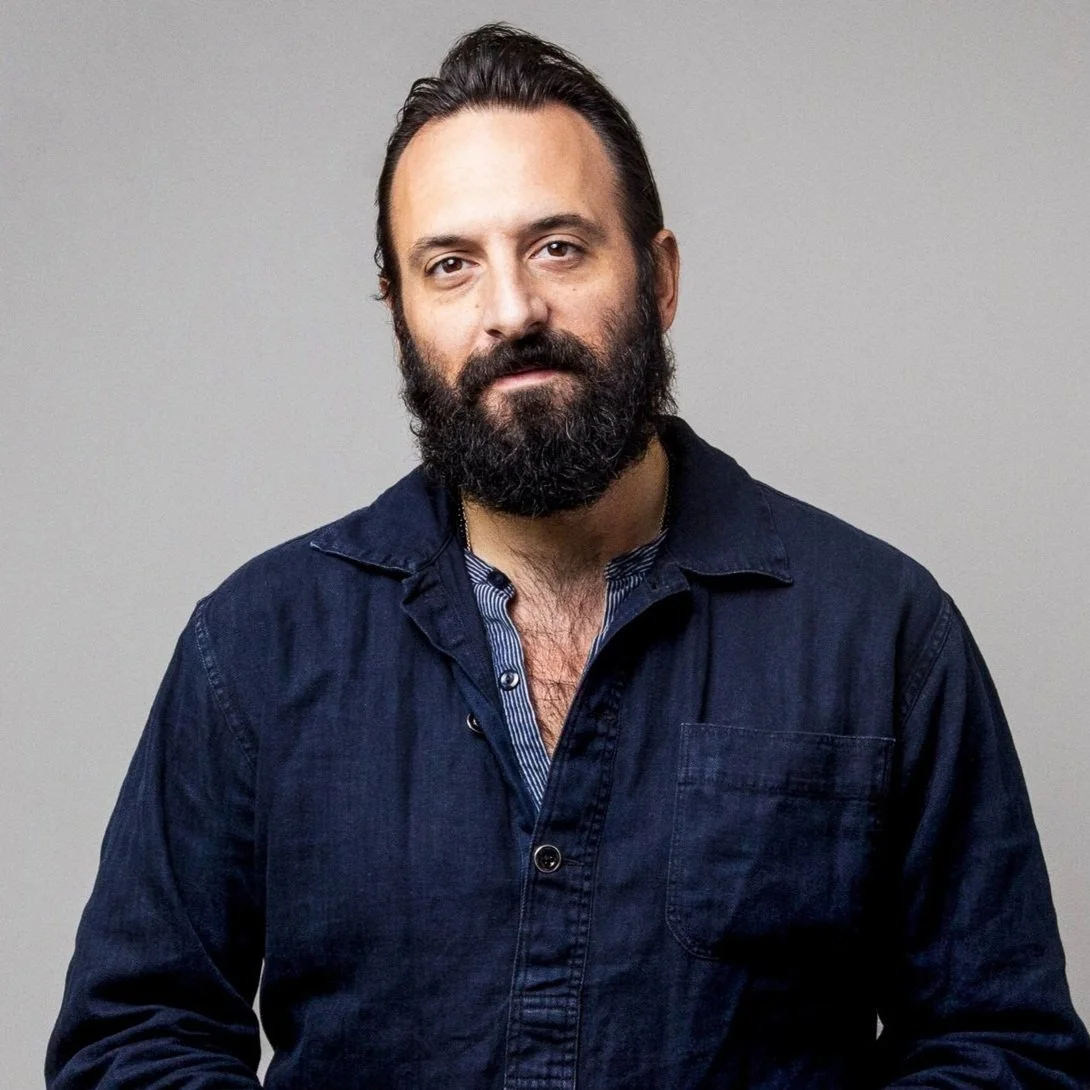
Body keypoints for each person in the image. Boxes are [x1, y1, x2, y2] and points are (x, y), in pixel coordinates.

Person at [47, 23, 1089, 1089]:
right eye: (450, 266)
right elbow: (133, 1038)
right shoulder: (257, 647)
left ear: (659, 277)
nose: (511, 310)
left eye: (558, 247)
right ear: (401, 318)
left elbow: (1003, 1049)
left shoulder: (880, 633)